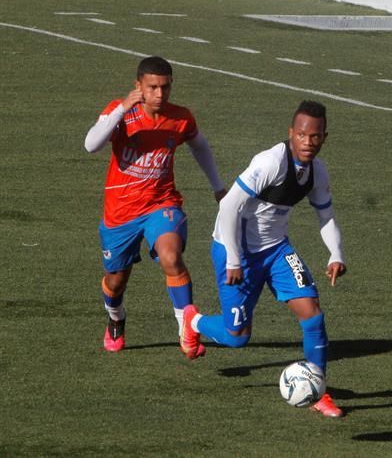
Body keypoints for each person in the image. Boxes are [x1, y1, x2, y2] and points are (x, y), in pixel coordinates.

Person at [182, 100, 347, 417]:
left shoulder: (318, 173)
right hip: (236, 251)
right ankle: (193, 321)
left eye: (315, 137)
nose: (308, 143)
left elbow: (325, 215)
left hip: (276, 250)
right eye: (302, 135)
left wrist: (335, 254)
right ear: (291, 133)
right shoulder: (270, 162)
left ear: (325, 137)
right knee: (236, 338)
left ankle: (319, 392)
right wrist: (232, 258)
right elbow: (229, 206)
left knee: (313, 315)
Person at [85, 56, 226, 359]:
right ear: (139, 86)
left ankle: (185, 329)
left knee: (171, 255)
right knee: (115, 280)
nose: (159, 94)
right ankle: (115, 317)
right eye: (152, 87)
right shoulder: (120, 112)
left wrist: (218, 187)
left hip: (162, 203)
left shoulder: (181, 117)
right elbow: (91, 144)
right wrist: (123, 107)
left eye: (165, 87)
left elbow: (199, 145)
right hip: (120, 213)